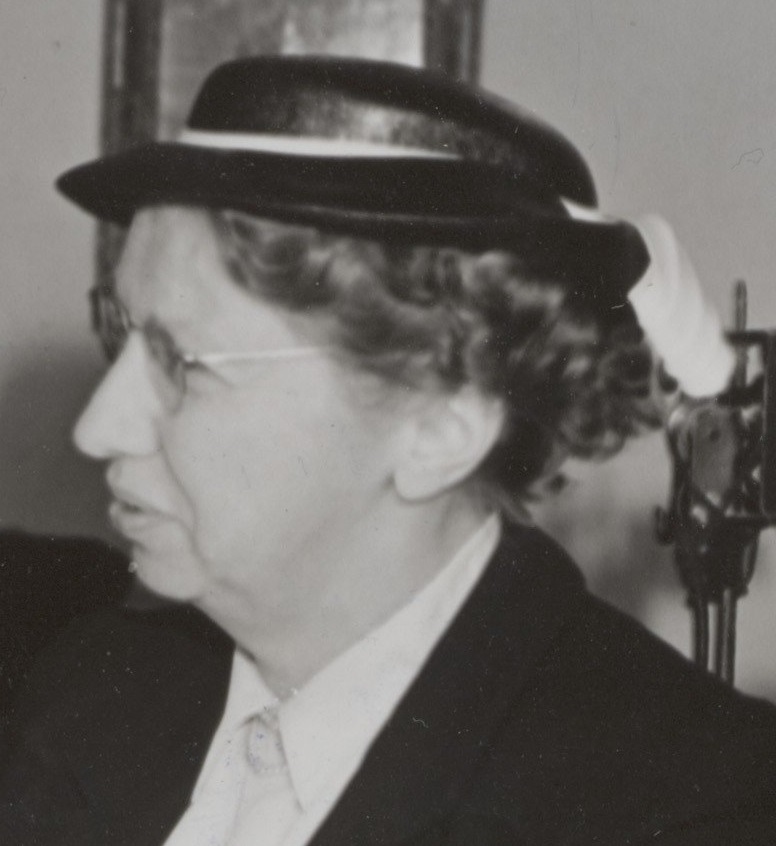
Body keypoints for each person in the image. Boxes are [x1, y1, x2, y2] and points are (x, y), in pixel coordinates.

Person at [1, 55, 776, 846]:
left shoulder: (689, 804)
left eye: (181, 363)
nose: (97, 427)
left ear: (441, 428)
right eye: (121, 331)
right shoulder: (92, 688)